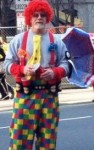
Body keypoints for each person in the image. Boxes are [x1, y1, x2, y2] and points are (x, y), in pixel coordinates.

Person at [3, 0, 69, 149]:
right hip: (25, 97)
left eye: (43, 15)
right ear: (29, 18)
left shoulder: (57, 41)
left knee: (47, 142)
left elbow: (67, 65)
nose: (39, 17)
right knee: (20, 140)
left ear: (47, 18)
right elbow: (6, 65)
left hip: (49, 98)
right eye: (35, 15)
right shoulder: (18, 40)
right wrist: (22, 70)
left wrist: (55, 72)